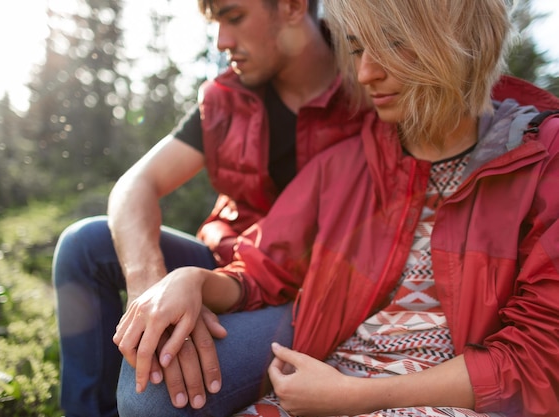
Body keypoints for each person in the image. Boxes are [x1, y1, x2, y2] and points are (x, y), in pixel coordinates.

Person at [113, 0, 559, 416]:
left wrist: (351, 398)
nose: (365, 74)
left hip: (430, 399)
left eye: (390, 44)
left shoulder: (541, 158)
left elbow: (540, 355)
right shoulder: (347, 161)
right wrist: (191, 280)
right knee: (146, 388)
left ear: (458, 38)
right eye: (358, 50)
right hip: (320, 378)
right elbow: (264, 268)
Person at [52, 0, 368, 415]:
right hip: (223, 270)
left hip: (309, 296)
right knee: (84, 246)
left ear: (291, 7)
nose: (222, 41)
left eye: (234, 17)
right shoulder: (225, 99)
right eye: (215, 22)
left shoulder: (372, 83)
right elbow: (136, 184)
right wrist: (150, 289)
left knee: (152, 397)